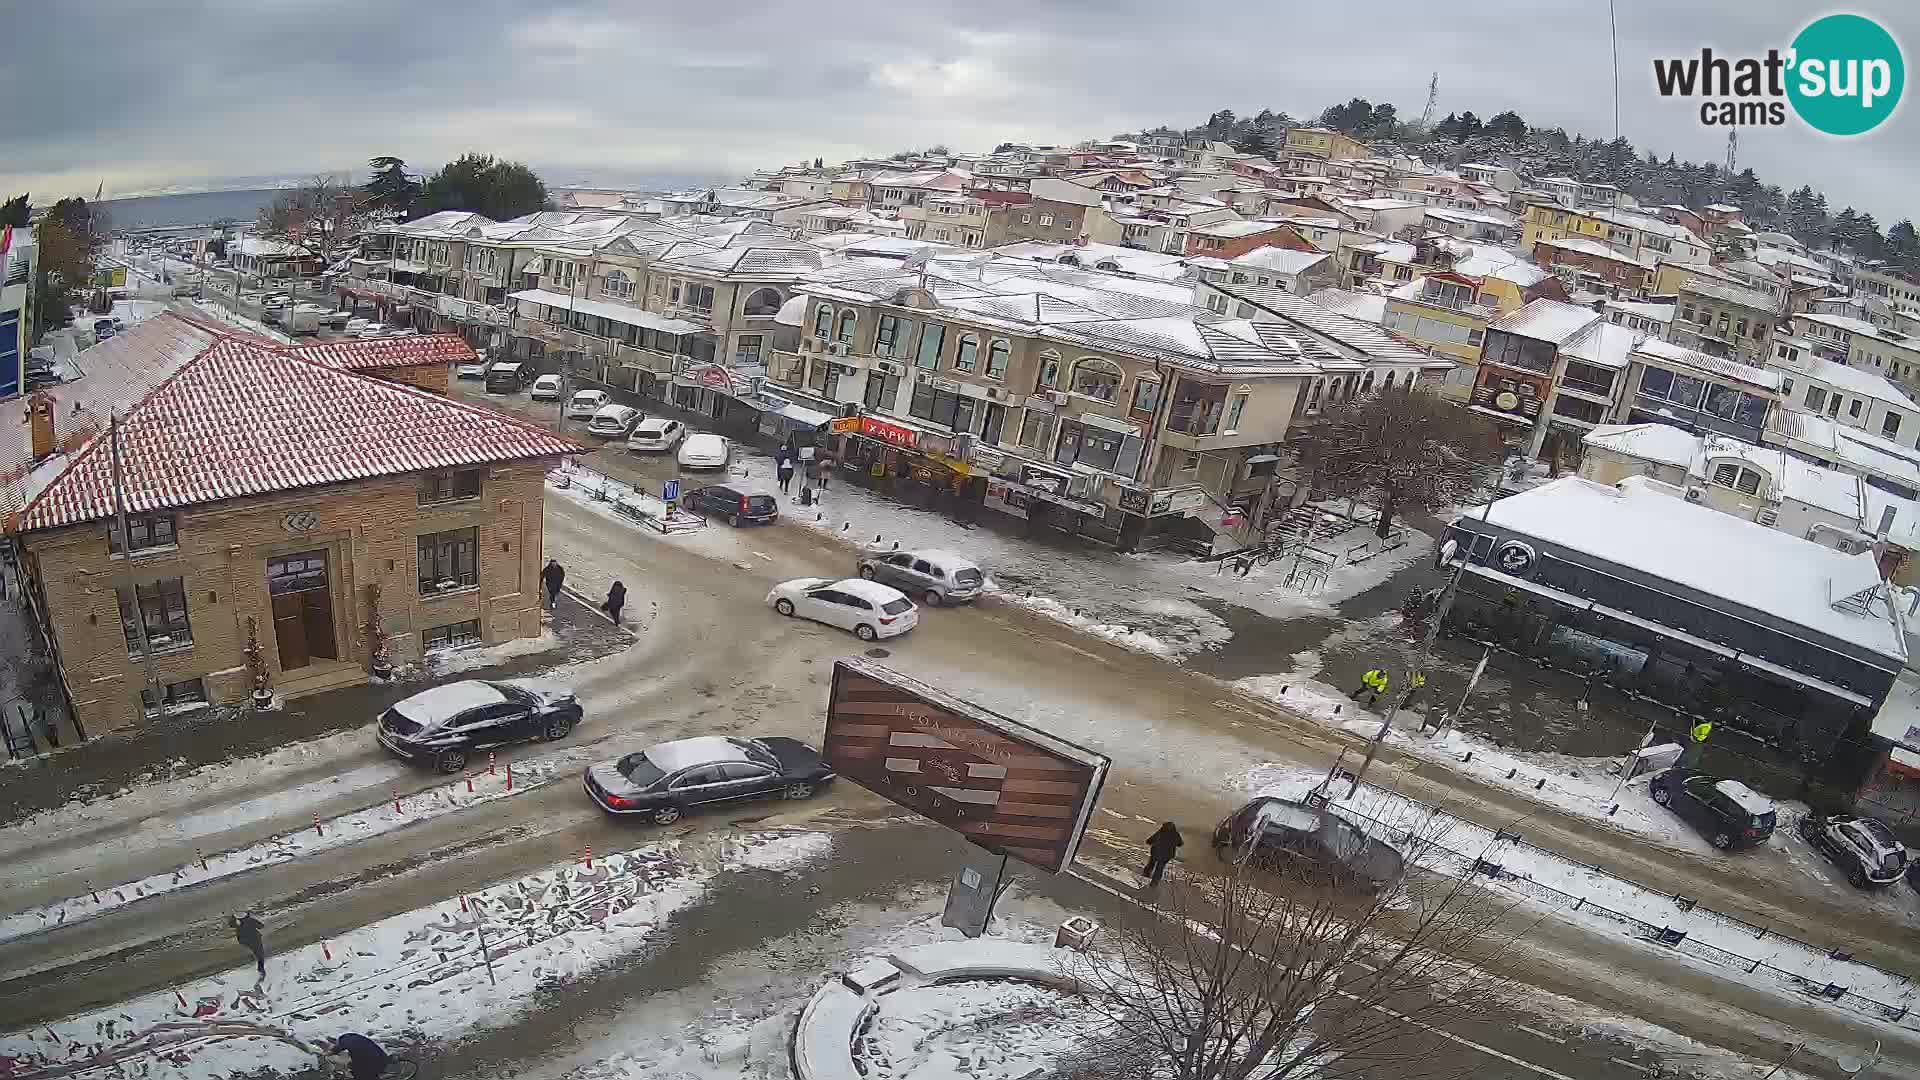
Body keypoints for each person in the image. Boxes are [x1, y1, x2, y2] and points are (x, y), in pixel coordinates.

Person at [231, 912, 266, 977]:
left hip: (245, 941)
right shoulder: (250, 920)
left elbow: (231, 925)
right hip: (255, 939)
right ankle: (261, 970)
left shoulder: (237, 922)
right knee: (260, 954)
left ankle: (255, 959)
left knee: (255, 951)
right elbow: (261, 926)